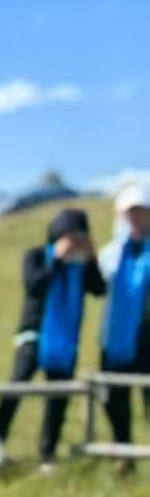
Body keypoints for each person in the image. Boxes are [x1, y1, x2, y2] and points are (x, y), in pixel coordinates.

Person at [0, 208, 105, 471]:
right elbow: (34, 285)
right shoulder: (37, 255)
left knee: (58, 396)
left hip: (65, 342)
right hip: (33, 335)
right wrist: (57, 259)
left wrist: (91, 258)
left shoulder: (81, 266)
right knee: (18, 385)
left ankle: (48, 454)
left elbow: (99, 289)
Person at [97, 182, 150, 468]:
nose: (137, 218)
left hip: (147, 338)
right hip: (116, 342)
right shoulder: (110, 255)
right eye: (131, 213)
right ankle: (124, 457)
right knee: (116, 400)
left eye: (142, 212)